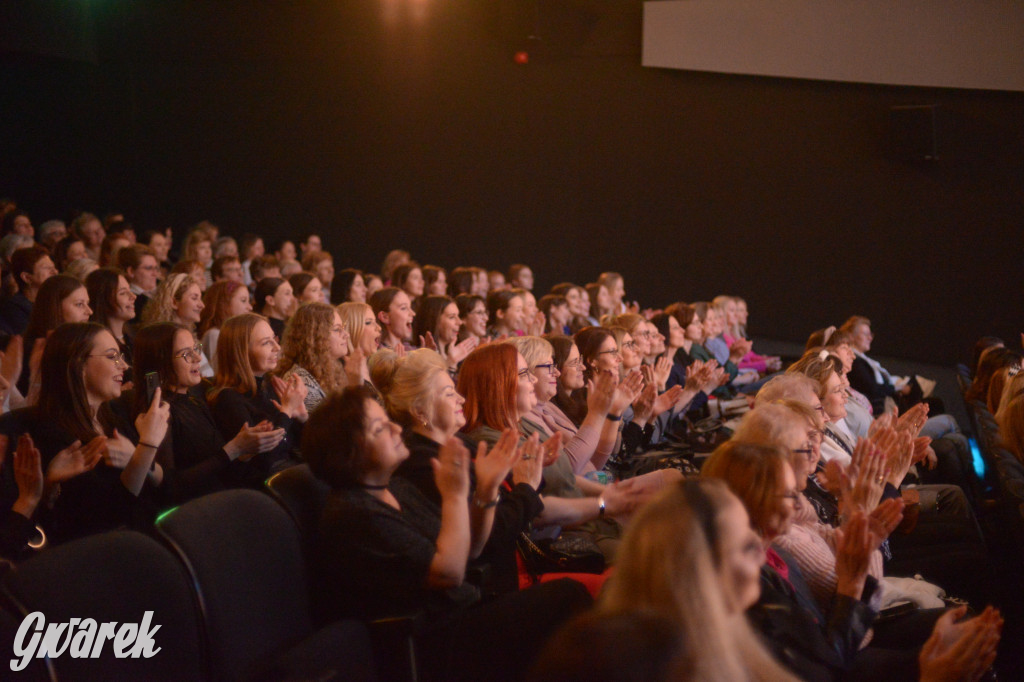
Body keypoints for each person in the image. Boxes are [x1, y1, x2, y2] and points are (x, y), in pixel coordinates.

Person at [306, 385, 592, 682]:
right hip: (435, 640)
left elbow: (472, 549)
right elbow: (450, 572)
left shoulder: (396, 490)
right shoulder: (355, 513)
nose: (395, 428)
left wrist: (486, 489)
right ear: (349, 453)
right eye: (380, 428)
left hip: (464, 613)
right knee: (569, 597)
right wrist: (455, 494)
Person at [375, 348, 545, 595]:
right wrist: (525, 487)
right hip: (487, 592)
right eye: (449, 393)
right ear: (420, 411)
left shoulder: (460, 444)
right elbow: (483, 542)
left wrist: (603, 502)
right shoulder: (424, 464)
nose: (461, 399)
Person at [0, 322, 169, 544]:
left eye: (121, 356)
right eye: (112, 357)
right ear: (78, 364)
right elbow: (110, 519)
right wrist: (147, 446)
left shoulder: (113, 418)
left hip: (146, 541)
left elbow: (166, 489)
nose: (124, 365)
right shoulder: (48, 431)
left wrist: (142, 459)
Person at [125, 322, 285, 502]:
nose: (198, 358)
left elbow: (223, 471)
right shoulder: (158, 413)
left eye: (196, 349)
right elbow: (168, 488)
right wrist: (233, 449)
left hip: (224, 498)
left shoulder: (195, 399)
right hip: (197, 512)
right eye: (186, 354)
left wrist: (246, 452)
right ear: (161, 362)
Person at [208, 313, 307, 476]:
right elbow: (265, 461)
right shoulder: (228, 398)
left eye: (274, 339)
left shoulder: (269, 384)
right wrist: (287, 411)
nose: (277, 347)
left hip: (291, 470)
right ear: (241, 352)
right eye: (266, 343)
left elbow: (299, 445)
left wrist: (302, 418)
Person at [20, 274, 94, 396]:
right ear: (55, 307)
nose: (89, 311)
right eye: (79, 304)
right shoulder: (32, 349)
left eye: (88, 303)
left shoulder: (84, 343)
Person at [277, 302, 352, 412]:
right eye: (337, 329)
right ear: (315, 337)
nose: (346, 334)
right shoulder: (300, 382)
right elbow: (332, 426)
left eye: (343, 328)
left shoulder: (333, 367)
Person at [142, 273, 213, 377]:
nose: (202, 305)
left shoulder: (192, 338)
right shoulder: (162, 341)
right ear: (174, 302)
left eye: (200, 298)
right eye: (194, 298)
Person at [85, 268, 137, 386]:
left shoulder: (133, 338)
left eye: (130, 290)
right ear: (104, 299)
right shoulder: (97, 344)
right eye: (123, 293)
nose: (133, 296)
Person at [0, 245, 58, 336]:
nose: (55, 272)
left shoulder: (54, 302)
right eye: (47, 268)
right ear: (27, 277)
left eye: (54, 267)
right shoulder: (15, 309)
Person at [197, 280, 252, 372]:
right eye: (243, 300)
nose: (250, 307)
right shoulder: (214, 335)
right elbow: (220, 373)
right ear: (224, 303)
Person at [411, 295, 478, 371]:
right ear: (435, 321)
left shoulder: (457, 355)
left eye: (458, 316)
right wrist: (451, 364)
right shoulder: (418, 358)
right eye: (452, 317)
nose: (459, 322)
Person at [115, 243, 160, 320]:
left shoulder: (162, 290)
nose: (155, 274)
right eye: (149, 268)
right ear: (131, 271)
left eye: (156, 268)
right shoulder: (131, 302)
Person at [370, 287, 415, 351]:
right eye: (404, 308)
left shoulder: (411, 350)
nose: (413, 313)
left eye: (410, 307)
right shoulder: (378, 356)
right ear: (384, 317)